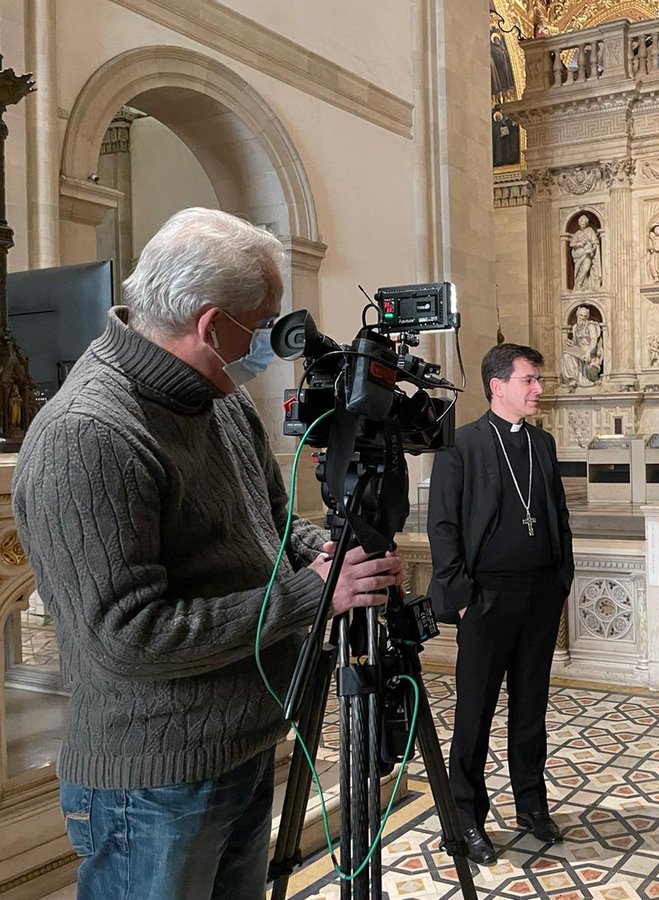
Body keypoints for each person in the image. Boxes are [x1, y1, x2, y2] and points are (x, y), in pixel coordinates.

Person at [11, 208, 404, 900]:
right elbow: (126, 637)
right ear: (211, 323)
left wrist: (341, 557)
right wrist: (314, 593)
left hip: (242, 741)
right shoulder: (89, 434)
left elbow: (273, 523)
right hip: (155, 777)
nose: (272, 340)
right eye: (264, 322)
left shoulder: (218, 399)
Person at [427, 343, 574, 865]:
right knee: (475, 715)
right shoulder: (460, 446)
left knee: (530, 710)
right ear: (498, 385)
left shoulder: (543, 443)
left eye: (537, 380)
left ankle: (532, 805)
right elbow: (442, 527)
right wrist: (463, 599)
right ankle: (466, 818)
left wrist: (561, 580)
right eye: (530, 380)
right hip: (486, 600)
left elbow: (556, 514)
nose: (538, 389)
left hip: (538, 596)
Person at [560, 305, 604, 389]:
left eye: (584, 316)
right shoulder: (575, 327)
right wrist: (572, 343)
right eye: (581, 315)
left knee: (590, 365)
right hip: (579, 351)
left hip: (590, 351)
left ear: (587, 316)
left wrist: (588, 352)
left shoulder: (590, 326)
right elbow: (576, 343)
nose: (582, 318)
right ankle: (573, 378)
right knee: (566, 355)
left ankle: (588, 378)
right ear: (577, 315)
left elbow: (594, 340)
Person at [569, 214, 601, 291]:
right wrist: (578, 244)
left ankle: (580, 283)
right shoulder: (577, 233)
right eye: (580, 223)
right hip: (579, 254)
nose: (581, 225)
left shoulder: (590, 231)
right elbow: (571, 244)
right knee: (579, 270)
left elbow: (595, 243)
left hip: (587, 253)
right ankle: (579, 285)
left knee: (586, 268)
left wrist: (592, 250)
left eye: (582, 223)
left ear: (586, 223)